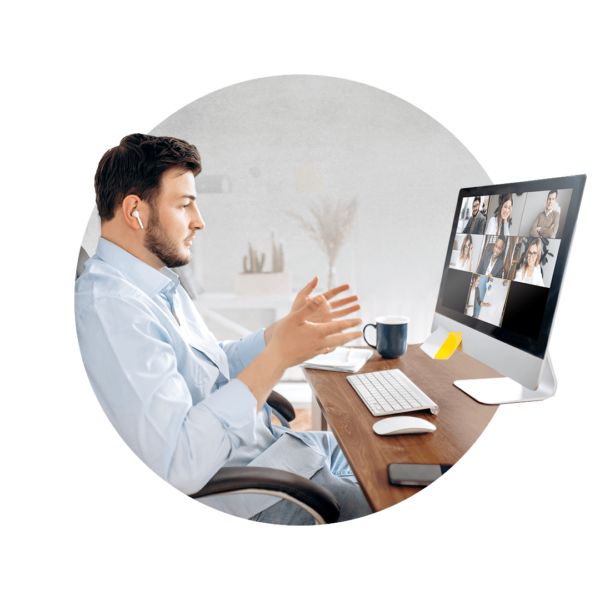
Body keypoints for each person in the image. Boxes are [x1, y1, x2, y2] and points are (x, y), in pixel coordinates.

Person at [74, 133, 373, 526]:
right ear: (136, 212)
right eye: (184, 206)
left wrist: (278, 335)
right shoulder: (111, 311)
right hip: (262, 491)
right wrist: (278, 357)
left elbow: (211, 366)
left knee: (390, 457)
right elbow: (181, 462)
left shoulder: (156, 282)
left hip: (280, 450)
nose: (199, 222)